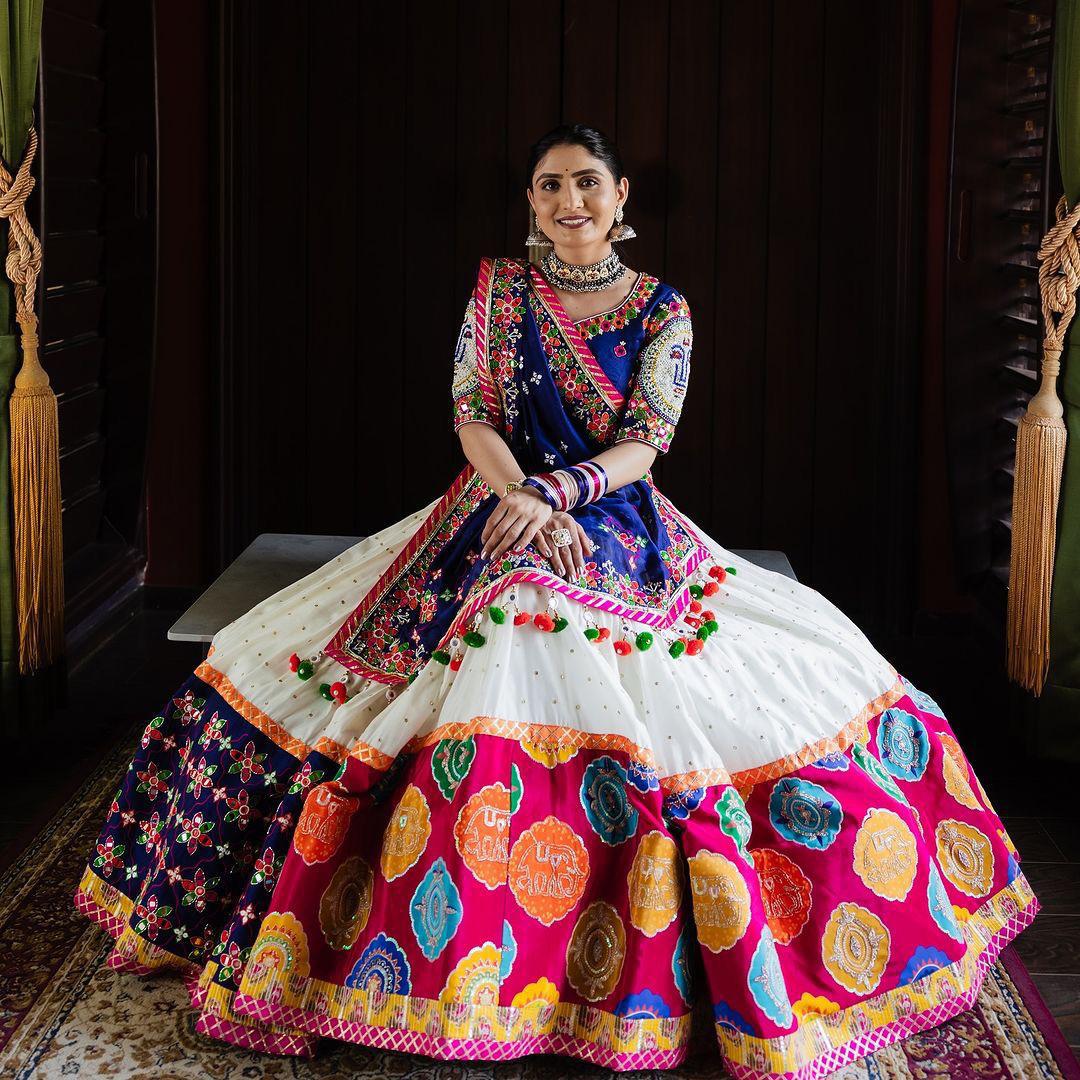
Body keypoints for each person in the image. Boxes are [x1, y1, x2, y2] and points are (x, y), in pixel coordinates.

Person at [74, 123, 1041, 1078]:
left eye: (586, 183)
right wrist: (513, 496)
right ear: (532, 204)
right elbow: (472, 416)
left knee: (655, 643)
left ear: (621, 200)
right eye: (548, 186)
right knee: (378, 643)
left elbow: (647, 442)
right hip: (488, 509)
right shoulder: (498, 293)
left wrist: (558, 494)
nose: (568, 200)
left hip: (609, 512)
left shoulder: (664, 309)